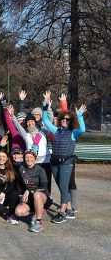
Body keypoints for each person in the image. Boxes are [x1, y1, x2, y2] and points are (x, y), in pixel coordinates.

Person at [42, 91, 86, 223]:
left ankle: (62, 213)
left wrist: (79, 116)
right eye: (63, 119)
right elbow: (45, 120)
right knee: (62, 187)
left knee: (63, 186)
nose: (65, 121)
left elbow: (83, 130)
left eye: (67, 119)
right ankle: (70, 209)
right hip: (54, 161)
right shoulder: (56, 130)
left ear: (70, 121)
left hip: (67, 162)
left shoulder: (73, 133)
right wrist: (45, 106)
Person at [14, 149, 52, 233]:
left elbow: (44, 187)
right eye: (26, 157)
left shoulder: (40, 170)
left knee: (37, 194)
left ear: (35, 158)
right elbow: (18, 184)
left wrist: (29, 191)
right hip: (30, 198)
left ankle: (38, 222)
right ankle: (36, 212)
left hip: (43, 197)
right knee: (18, 212)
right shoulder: (22, 168)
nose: (28, 159)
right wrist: (20, 195)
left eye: (31, 157)